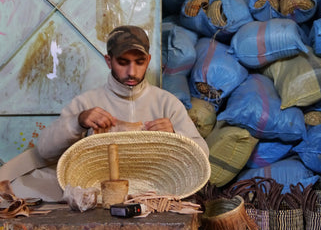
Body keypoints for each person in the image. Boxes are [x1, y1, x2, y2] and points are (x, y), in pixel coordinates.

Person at [0, 25, 208, 201]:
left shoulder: (166, 103)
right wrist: (78, 122)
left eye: (140, 62)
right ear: (109, 61)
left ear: (149, 60)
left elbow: (202, 155)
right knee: (23, 189)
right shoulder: (88, 102)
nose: (132, 72)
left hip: (151, 192)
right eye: (123, 62)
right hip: (95, 193)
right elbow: (44, 150)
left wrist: (176, 137)